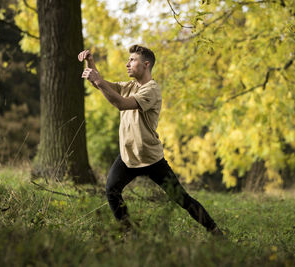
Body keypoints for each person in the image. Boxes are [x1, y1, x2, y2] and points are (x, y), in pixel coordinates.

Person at [78, 45, 223, 236]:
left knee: (182, 199)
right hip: (128, 156)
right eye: (128, 60)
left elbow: (121, 104)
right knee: (112, 191)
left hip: (150, 158)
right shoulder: (130, 86)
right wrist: (91, 62)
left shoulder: (152, 90)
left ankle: (215, 232)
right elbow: (101, 84)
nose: (127, 63)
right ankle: (130, 232)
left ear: (146, 65)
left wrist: (99, 81)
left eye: (132, 60)